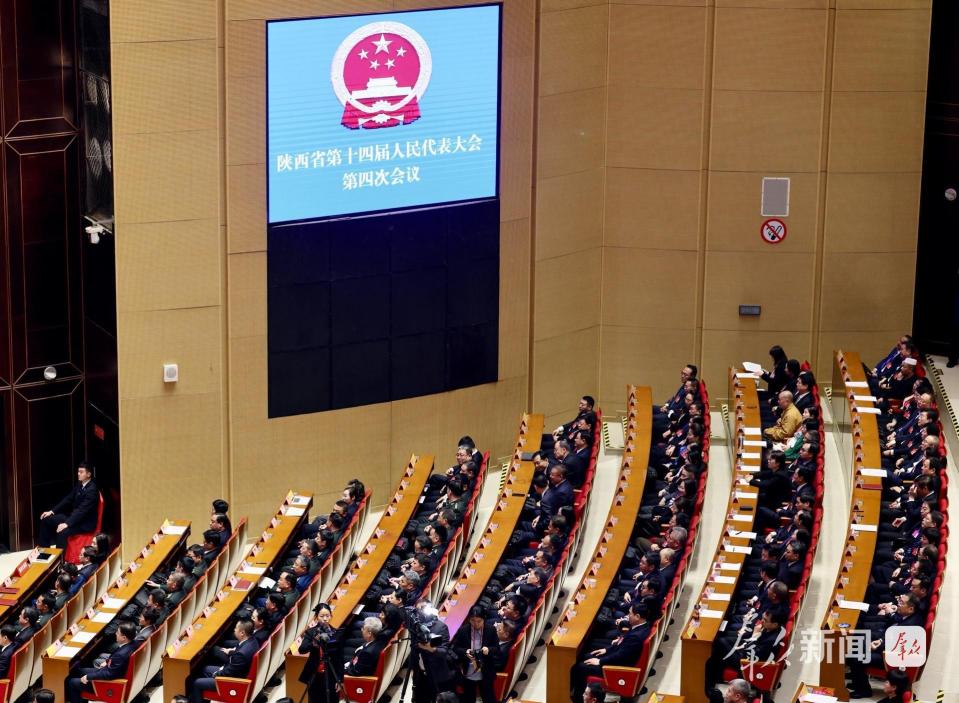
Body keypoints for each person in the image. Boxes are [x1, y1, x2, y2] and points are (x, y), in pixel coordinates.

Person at [66, 621, 139, 703]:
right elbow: (116, 661)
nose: (115, 633)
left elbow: (109, 674)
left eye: (118, 632)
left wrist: (88, 677)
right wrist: (107, 661)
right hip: (108, 670)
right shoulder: (134, 643)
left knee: (71, 682)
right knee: (77, 671)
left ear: (124, 638)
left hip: (107, 683)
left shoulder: (121, 655)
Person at [190, 620, 258, 703]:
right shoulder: (252, 641)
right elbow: (238, 655)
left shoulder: (241, 654)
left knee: (197, 683)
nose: (234, 630)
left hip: (232, 682)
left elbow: (229, 674)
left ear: (242, 633)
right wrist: (230, 652)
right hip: (233, 670)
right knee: (204, 669)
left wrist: (216, 674)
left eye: (236, 628)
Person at [38, 462, 99, 548]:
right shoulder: (80, 484)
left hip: (84, 524)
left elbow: (81, 511)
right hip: (75, 519)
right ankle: (43, 551)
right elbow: (68, 499)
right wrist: (52, 511)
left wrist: (67, 523)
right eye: (78, 471)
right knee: (46, 519)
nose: (78, 474)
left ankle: (60, 556)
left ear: (88, 474)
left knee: (62, 531)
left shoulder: (92, 490)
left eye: (81, 472)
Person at [451, 606, 498, 703]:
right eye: (473, 621)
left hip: (485, 671)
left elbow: (497, 648)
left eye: (479, 621)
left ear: (484, 619)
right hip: (468, 671)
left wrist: (489, 650)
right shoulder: (463, 630)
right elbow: (455, 648)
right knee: (469, 699)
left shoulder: (491, 630)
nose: (476, 624)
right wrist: (465, 652)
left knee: (489, 699)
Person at [412, 599, 454, 702]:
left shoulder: (441, 627)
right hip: (420, 672)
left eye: (423, 608)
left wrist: (430, 648)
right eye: (418, 610)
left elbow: (444, 651)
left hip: (436, 672)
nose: (420, 612)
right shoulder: (415, 626)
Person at [297, 603, 340, 703]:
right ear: (316, 617)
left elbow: (340, 658)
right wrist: (313, 643)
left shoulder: (336, 632)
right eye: (322, 616)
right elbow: (302, 650)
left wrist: (340, 679)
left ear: (331, 616)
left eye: (327, 616)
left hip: (331, 674)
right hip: (315, 674)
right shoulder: (310, 632)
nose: (325, 619)